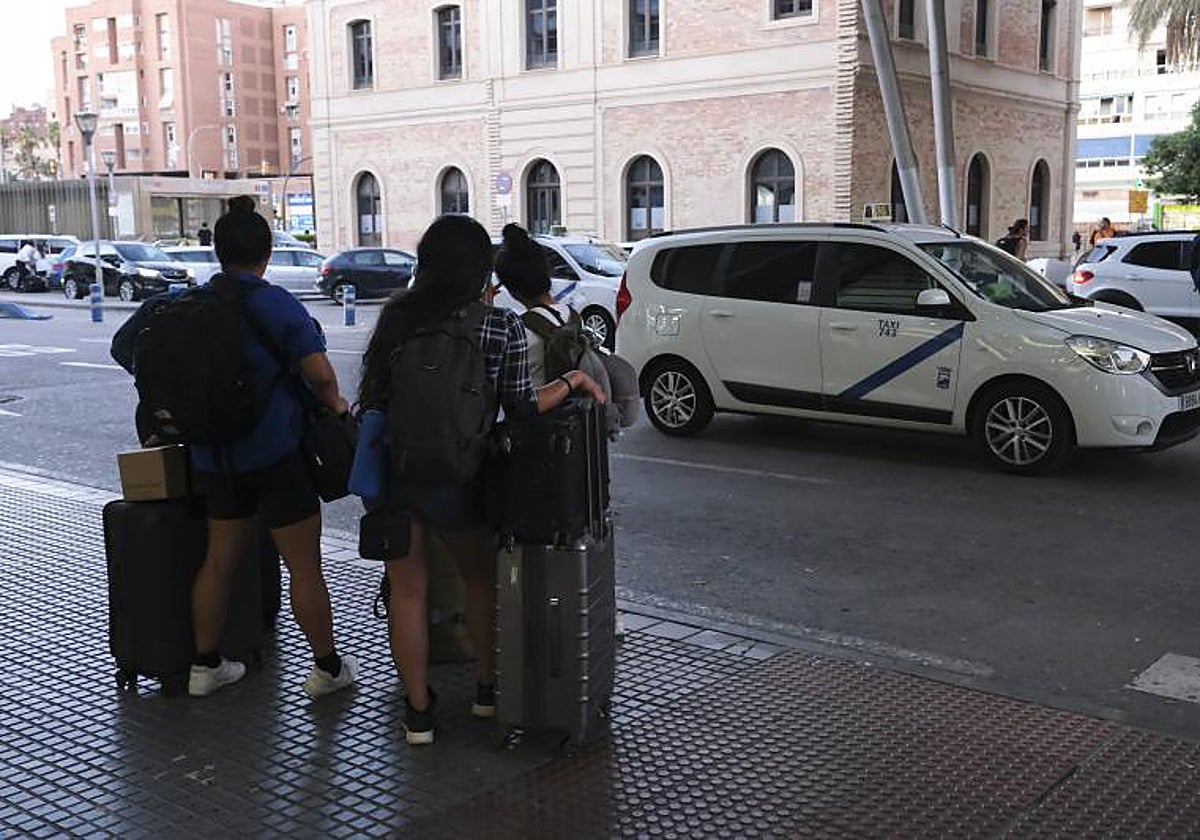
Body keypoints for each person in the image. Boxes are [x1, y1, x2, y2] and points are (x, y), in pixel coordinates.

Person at [357, 214, 605, 746]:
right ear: (479, 271)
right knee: (480, 580)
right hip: (462, 480)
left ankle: (418, 713)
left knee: (407, 592)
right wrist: (571, 379)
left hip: (399, 477)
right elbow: (521, 408)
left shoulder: (397, 319)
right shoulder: (499, 326)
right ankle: (487, 690)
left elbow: (374, 401)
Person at [187, 196, 357, 699]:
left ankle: (204, 666)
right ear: (265, 254)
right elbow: (322, 377)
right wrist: (337, 406)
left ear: (218, 252)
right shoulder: (274, 302)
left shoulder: (190, 305)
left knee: (219, 559)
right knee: (304, 566)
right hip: (275, 453)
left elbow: (131, 348)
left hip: (214, 455)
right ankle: (327, 669)